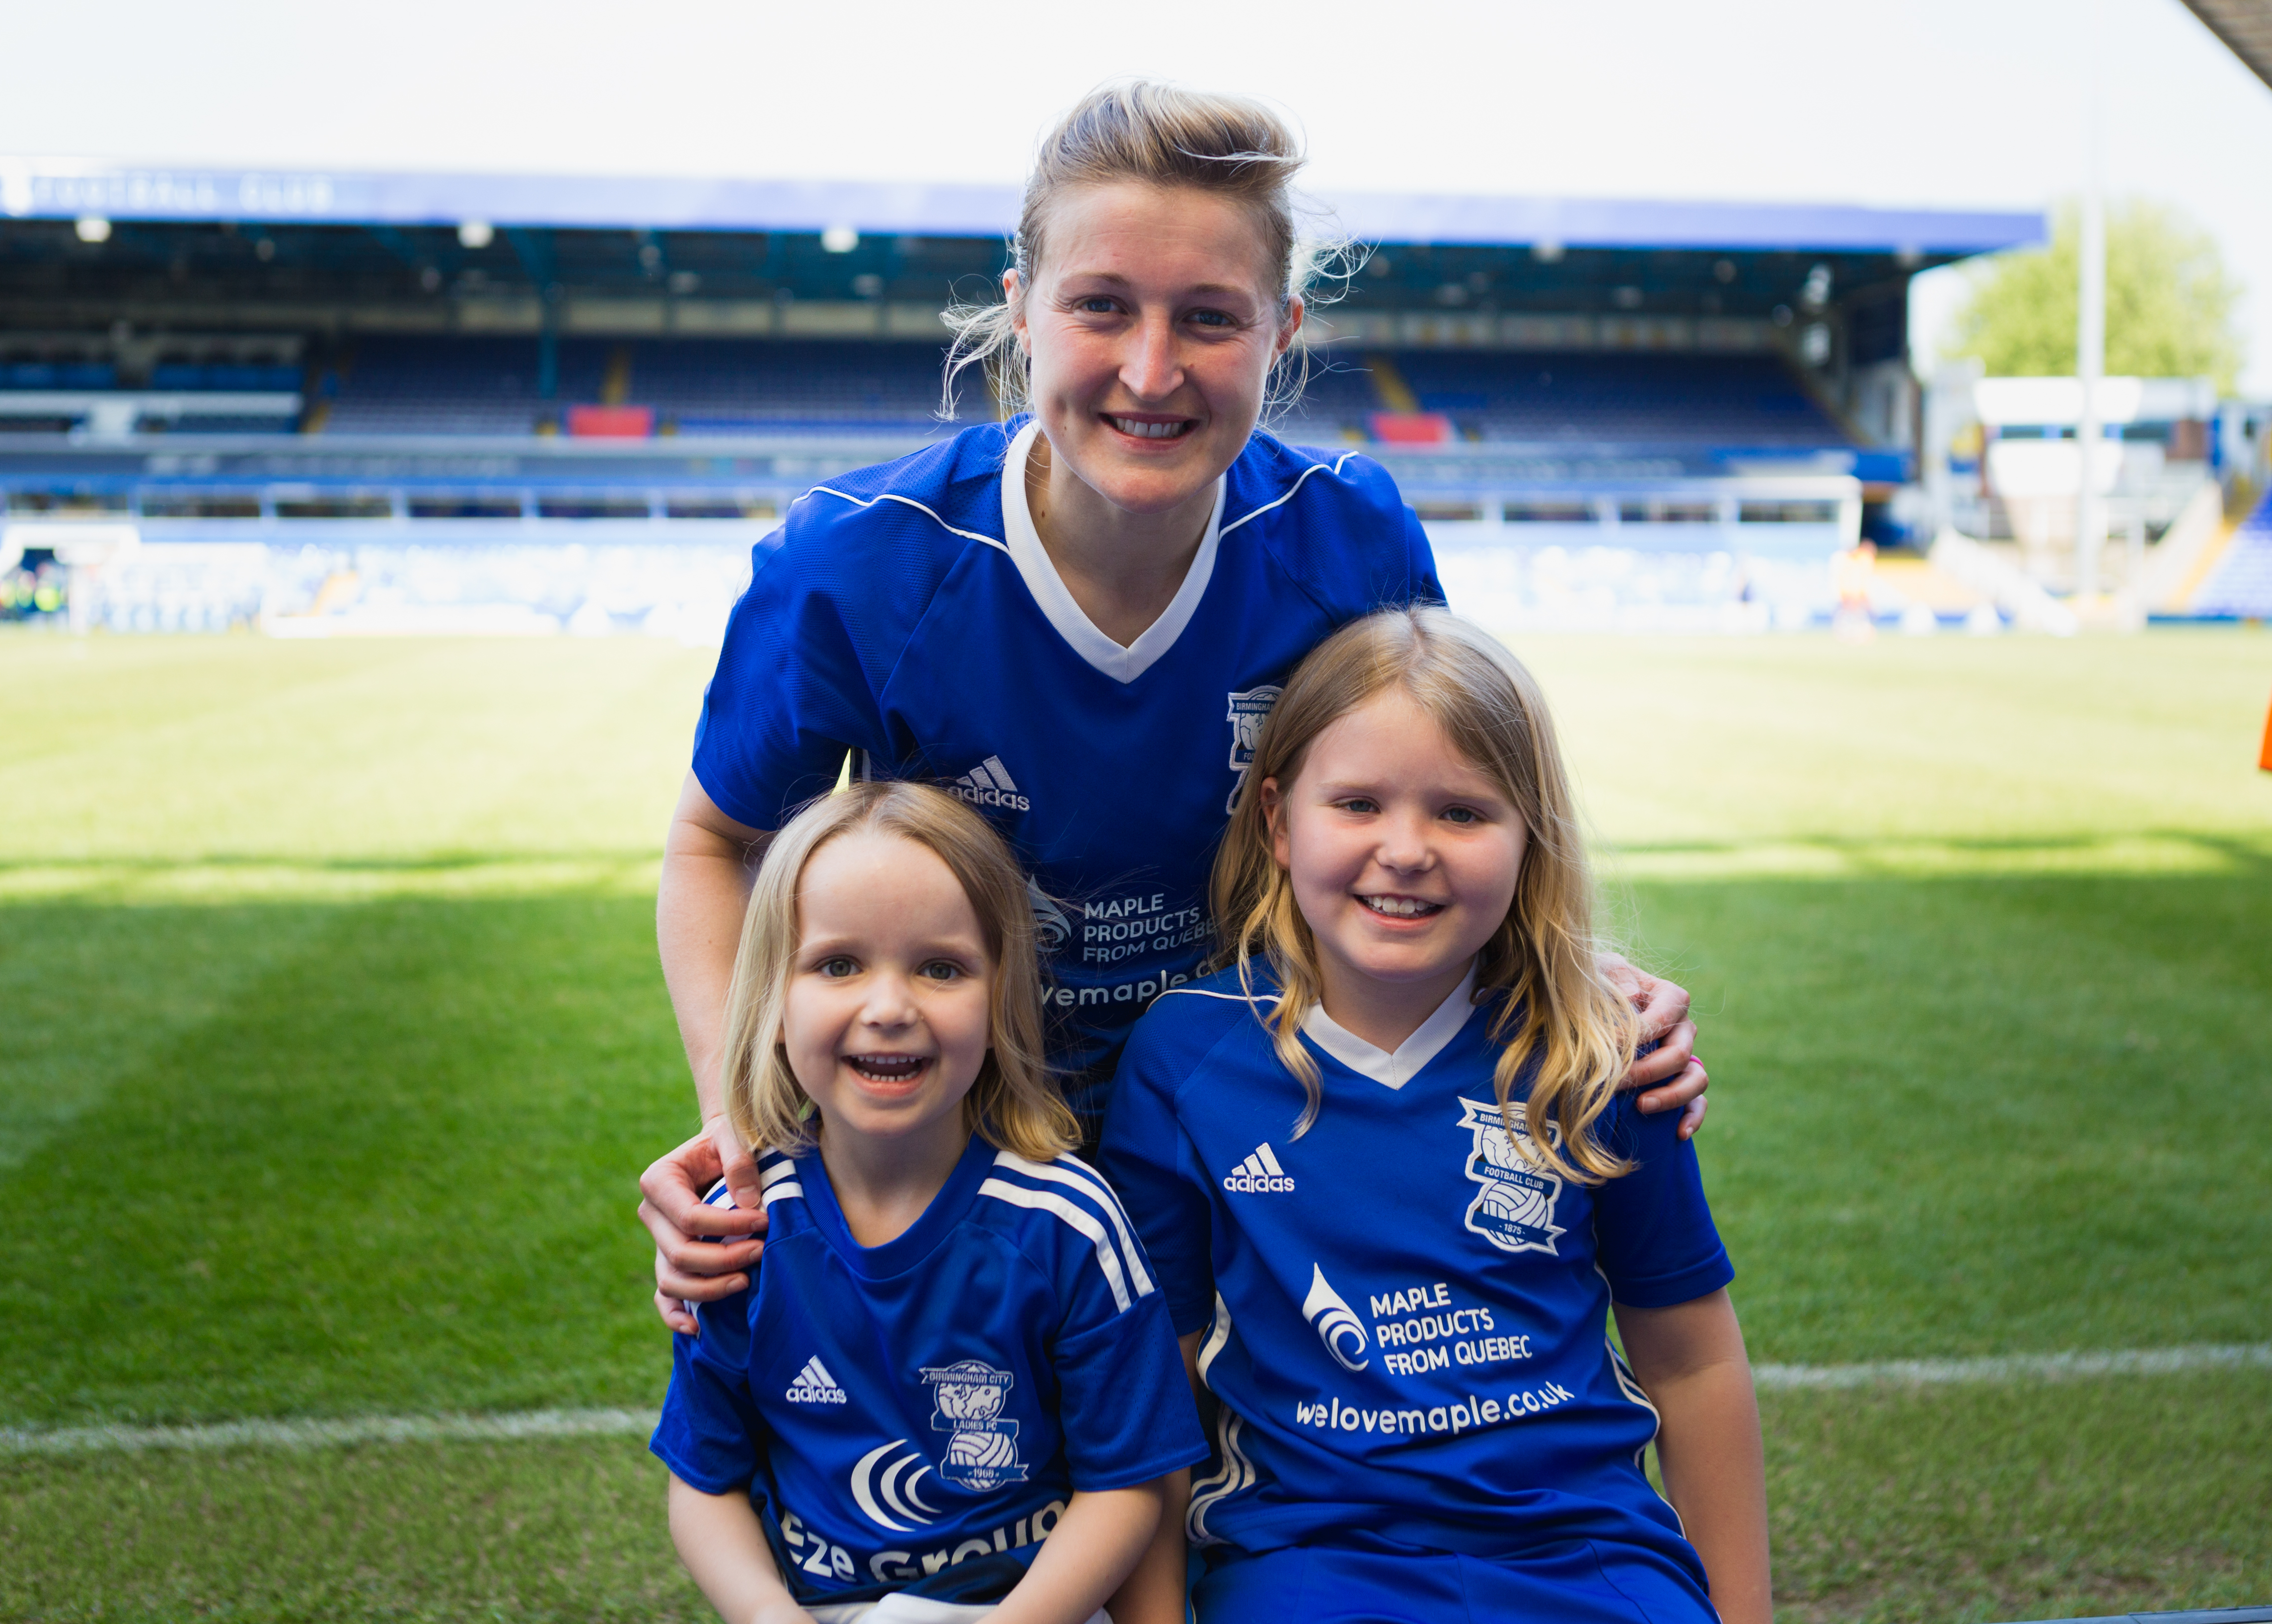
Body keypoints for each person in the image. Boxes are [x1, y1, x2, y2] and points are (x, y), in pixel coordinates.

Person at [640, 81, 1709, 1332]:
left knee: (1243, 1487)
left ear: (1282, 332)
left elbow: (1442, 800)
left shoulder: (1345, 533)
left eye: (1210, 318)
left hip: (1253, 1111)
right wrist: (743, 1126)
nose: (1153, 372)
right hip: (970, 1109)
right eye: (1102, 306)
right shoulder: (857, 564)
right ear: (1024, 312)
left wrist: (1581, 980)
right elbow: (718, 842)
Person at [1100, 607, 1769, 1624]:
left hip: (1584, 1549)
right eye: (1359, 804)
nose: (1406, 851)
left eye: (1462, 813)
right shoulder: (1185, 1060)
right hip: (1312, 1559)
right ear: (1279, 823)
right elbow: (1162, 1387)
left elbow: (1693, 1358)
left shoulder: (1600, 1051)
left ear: (1529, 833)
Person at [651, 780, 1204, 1624]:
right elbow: (703, 1484)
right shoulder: (740, 1232)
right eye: (839, 964)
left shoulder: (1068, 1224)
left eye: (940, 968)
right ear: (769, 1002)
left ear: (998, 1000)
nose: (889, 1008)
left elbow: (1128, 1486)